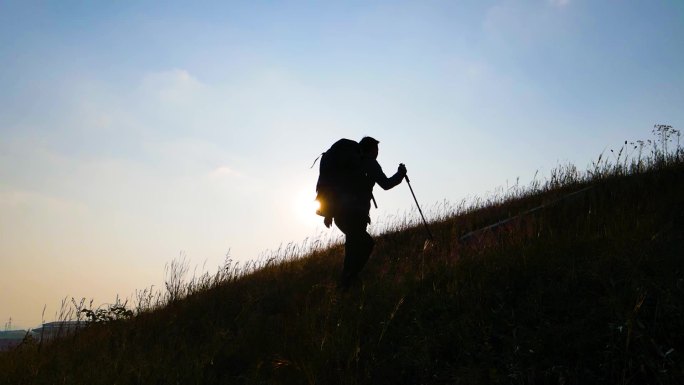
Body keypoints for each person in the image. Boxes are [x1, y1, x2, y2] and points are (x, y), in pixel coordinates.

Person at [324, 136, 407, 288]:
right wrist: (400, 174)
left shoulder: (349, 164)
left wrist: (329, 213)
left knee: (353, 248)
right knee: (366, 244)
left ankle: (346, 284)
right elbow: (386, 184)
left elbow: (336, 187)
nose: (378, 153)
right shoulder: (369, 163)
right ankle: (349, 279)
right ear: (372, 149)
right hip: (356, 215)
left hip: (340, 215)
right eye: (377, 150)